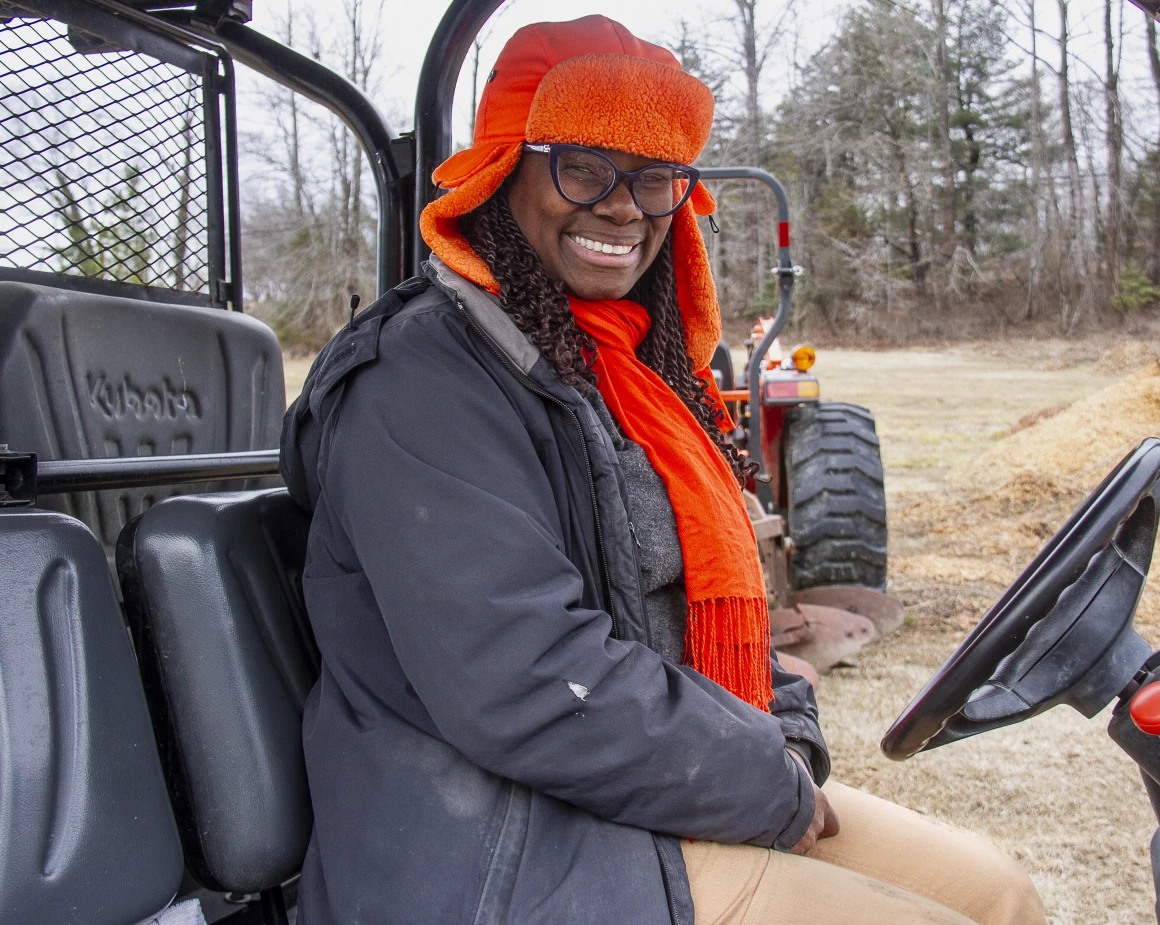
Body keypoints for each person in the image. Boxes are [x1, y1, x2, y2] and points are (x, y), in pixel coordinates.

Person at [280, 15, 1046, 925]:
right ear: (502, 173)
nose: (623, 207)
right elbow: (523, 677)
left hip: (632, 793)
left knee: (995, 890)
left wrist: (783, 726)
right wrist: (767, 775)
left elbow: (691, 612)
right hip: (497, 848)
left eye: (653, 179)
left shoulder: (624, 373)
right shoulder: (421, 379)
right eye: (583, 168)